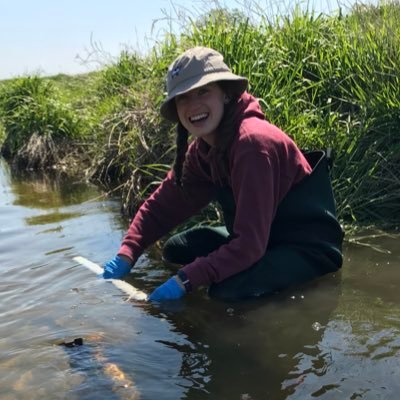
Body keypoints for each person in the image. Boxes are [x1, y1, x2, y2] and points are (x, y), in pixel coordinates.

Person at [102, 46, 344, 302]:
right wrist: (126, 253)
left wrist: (184, 280)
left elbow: (249, 245)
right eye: (183, 97)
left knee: (226, 291)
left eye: (203, 91)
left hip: (307, 247)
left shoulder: (253, 143)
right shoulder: (202, 150)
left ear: (226, 94)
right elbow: (162, 206)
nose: (193, 105)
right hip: (263, 238)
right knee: (177, 250)